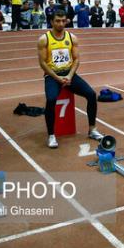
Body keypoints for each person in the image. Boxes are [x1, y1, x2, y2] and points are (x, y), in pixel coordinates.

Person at [37, 10, 103, 148]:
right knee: (51, 100)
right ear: (51, 22)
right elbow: (43, 63)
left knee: (91, 95)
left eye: (63, 21)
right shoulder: (44, 39)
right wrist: (58, 78)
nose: (61, 23)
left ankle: (92, 129)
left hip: (69, 74)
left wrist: (69, 75)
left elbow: (77, 59)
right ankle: (51, 135)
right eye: (57, 21)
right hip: (52, 75)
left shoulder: (72, 37)